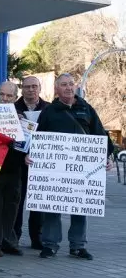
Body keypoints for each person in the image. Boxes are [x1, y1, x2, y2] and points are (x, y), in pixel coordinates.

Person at [27, 73, 114, 260]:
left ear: (75, 87)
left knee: (80, 207)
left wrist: (106, 157)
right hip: (55, 172)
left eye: (71, 84)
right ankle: (50, 245)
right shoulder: (49, 112)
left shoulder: (87, 109)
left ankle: (78, 246)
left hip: (82, 171)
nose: (68, 87)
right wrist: (31, 155)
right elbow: (37, 138)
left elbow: (100, 135)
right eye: (64, 84)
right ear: (56, 89)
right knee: (52, 207)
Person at [0, 81, 24, 257]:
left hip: (15, 168)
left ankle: (8, 241)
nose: (5, 99)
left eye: (9, 96)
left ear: (15, 98)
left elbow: (27, 143)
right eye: (2, 95)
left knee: (11, 208)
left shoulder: (22, 118)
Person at [14, 75, 50, 250]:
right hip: (18, 163)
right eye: (27, 87)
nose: (31, 89)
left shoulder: (50, 109)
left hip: (41, 164)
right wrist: (21, 156)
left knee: (38, 203)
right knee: (17, 202)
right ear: (22, 89)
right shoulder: (12, 108)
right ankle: (14, 237)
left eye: (34, 86)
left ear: (39, 88)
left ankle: (37, 238)